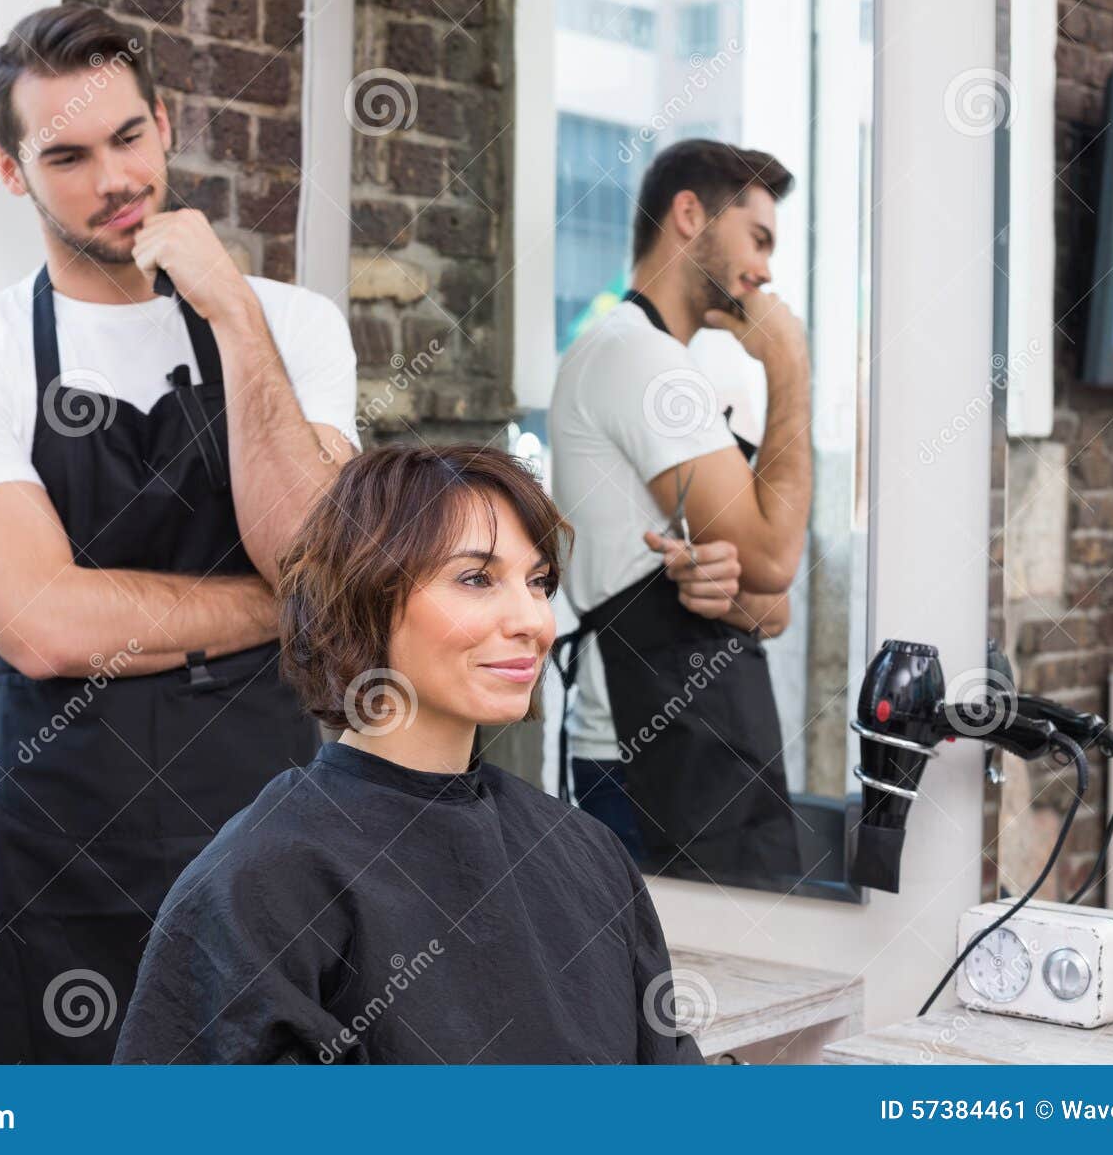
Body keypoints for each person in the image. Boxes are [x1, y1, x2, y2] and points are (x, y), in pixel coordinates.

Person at [0, 7, 358, 1062]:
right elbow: (43, 626)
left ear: (167, 121)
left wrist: (232, 313)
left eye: (127, 138)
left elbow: (307, 556)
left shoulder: (291, 324)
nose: (112, 178)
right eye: (65, 154)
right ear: (12, 172)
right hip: (49, 852)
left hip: (259, 833)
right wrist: (270, 607)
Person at [113, 445, 705, 1064]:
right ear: (365, 597)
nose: (532, 619)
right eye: (476, 579)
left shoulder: (589, 853)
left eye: (538, 582)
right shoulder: (261, 880)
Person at [548, 139, 813, 886]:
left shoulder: (670, 363)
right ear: (690, 215)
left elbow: (772, 602)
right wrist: (790, 364)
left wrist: (737, 589)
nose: (764, 272)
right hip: (647, 760)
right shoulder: (637, 357)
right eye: (757, 239)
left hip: (699, 747)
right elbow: (774, 556)